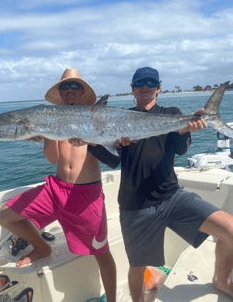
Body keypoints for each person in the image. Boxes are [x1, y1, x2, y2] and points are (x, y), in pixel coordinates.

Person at [79, 67, 233, 302]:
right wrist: (89, 141)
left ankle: (221, 280)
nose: (145, 87)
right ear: (132, 89)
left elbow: (181, 149)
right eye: (140, 83)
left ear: (158, 88)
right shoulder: (119, 119)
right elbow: (112, 160)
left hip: (172, 197)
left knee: (229, 230)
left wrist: (184, 130)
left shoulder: (171, 113)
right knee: (137, 267)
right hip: (135, 205)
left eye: (150, 83)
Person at [0, 68, 116, 302]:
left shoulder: (95, 116)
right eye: (64, 87)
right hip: (56, 189)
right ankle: (42, 248)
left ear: (82, 91)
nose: (69, 91)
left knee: (101, 253)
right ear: (60, 92)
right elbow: (52, 158)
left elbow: (111, 155)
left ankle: (112, 300)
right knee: (5, 216)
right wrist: (46, 131)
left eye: (74, 86)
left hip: (86, 194)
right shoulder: (50, 117)